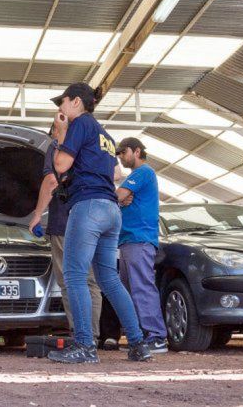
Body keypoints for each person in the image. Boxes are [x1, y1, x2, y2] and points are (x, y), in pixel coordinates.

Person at [45, 82, 151, 364]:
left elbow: (61, 165)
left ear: (77, 102)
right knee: (109, 279)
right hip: (110, 211)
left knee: (75, 275)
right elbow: (116, 172)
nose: (61, 109)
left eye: (63, 102)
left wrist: (61, 134)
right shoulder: (105, 134)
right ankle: (138, 344)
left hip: (89, 205)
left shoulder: (80, 124)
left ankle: (84, 346)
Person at [29, 126, 102, 339]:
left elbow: (51, 181)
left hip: (64, 223)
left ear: (56, 130)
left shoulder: (56, 147)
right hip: (92, 221)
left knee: (70, 281)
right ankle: (94, 335)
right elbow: (115, 173)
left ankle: (81, 334)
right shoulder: (92, 145)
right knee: (90, 281)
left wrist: (37, 215)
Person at [115, 137, 168, 353]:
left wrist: (120, 196)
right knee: (130, 290)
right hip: (129, 240)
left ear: (137, 151)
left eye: (123, 152)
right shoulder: (134, 176)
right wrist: (120, 197)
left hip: (139, 239)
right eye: (118, 153)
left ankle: (156, 337)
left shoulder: (143, 172)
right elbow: (120, 197)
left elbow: (119, 195)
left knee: (142, 288)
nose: (120, 156)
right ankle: (141, 338)